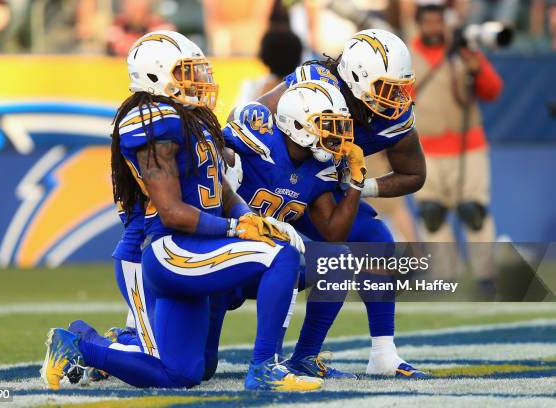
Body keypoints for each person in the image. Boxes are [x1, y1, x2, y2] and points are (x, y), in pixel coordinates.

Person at [40, 30, 320, 392]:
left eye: (197, 71)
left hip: (196, 246)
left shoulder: (193, 121)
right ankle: (265, 368)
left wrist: (248, 215)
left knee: (185, 373)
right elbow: (171, 212)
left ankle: (79, 346)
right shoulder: (152, 119)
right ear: (155, 76)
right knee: (281, 256)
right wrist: (235, 230)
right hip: (171, 248)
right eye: (186, 72)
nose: (198, 80)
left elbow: (219, 189)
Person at [233, 28, 427, 378]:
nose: (396, 97)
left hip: (318, 187)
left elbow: (414, 174)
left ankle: (379, 353)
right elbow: (250, 119)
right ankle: (144, 330)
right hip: (268, 183)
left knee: (374, 240)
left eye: (400, 86)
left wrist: (359, 185)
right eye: (386, 88)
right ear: (356, 77)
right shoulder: (314, 82)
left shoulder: (390, 116)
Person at [202, 79, 366, 380]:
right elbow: (206, 149)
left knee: (338, 260)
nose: (337, 135)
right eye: (327, 125)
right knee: (199, 368)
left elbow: (333, 233)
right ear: (298, 123)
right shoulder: (257, 134)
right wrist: (225, 161)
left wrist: (356, 182)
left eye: (340, 126)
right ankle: (128, 338)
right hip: (222, 259)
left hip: (271, 266)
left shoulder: (320, 169)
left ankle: (303, 358)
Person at [411, 4, 503, 286]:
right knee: (431, 216)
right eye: (428, 22)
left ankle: (485, 275)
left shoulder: (465, 51)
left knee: (474, 213)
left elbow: (493, 90)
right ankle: (443, 276)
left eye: (439, 22)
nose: (434, 28)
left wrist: (476, 70)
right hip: (426, 148)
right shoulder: (406, 57)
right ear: (419, 24)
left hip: (468, 145)